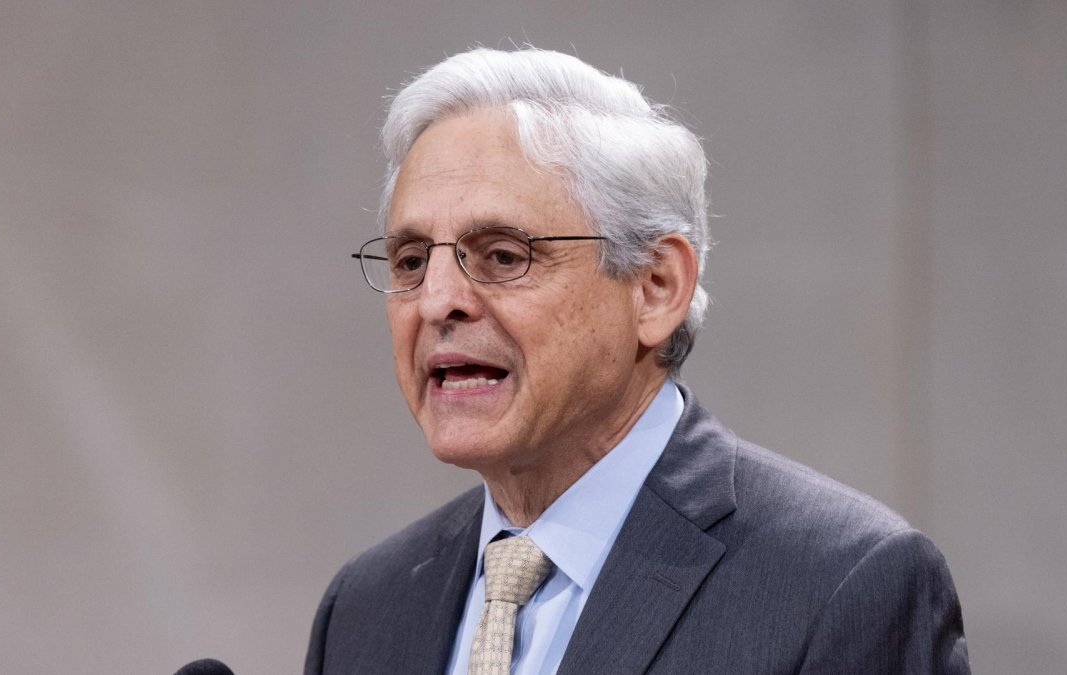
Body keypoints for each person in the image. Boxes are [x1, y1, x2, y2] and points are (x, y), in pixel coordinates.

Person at [305, 47, 969, 675]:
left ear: (656, 286)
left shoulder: (839, 586)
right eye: (412, 261)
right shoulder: (365, 609)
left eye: (504, 256)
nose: (438, 300)